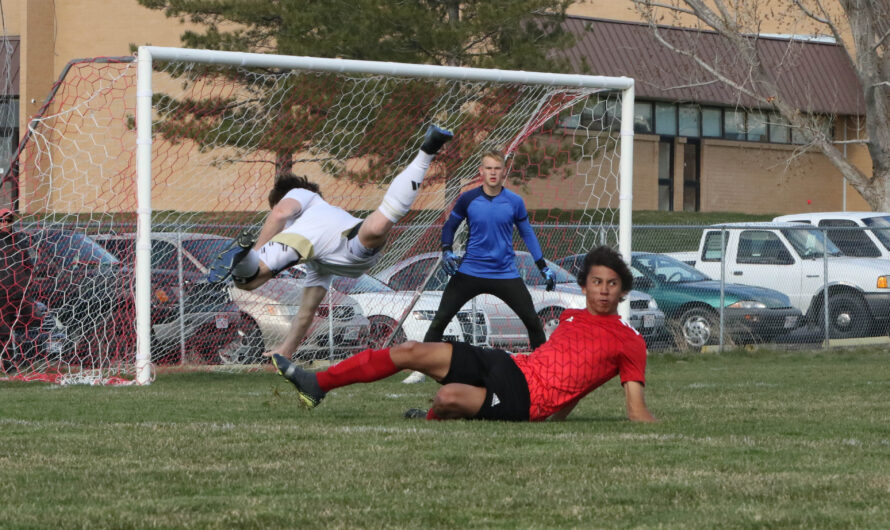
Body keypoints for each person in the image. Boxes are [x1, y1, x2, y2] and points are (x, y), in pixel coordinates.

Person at [271, 246, 656, 423]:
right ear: (585, 286)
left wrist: (552, 415)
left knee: (446, 397)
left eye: (612, 284)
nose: (603, 290)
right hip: (508, 364)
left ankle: (435, 417)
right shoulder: (570, 317)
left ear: (622, 291)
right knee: (409, 349)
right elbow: (566, 369)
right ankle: (317, 383)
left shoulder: (629, 341)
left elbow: (632, 407)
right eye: (596, 282)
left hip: (524, 400)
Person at [207, 124, 453, 358]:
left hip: (321, 242)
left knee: (247, 282)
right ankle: (426, 152)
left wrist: (258, 251)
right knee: (375, 228)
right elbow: (305, 314)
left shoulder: (301, 194)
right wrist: (286, 350)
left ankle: (244, 258)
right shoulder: (318, 263)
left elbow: (280, 213)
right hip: (346, 241)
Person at [402, 149, 556, 383]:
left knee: (533, 321)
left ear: (504, 172)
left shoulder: (515, 202)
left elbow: (527, 233)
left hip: (505, 274)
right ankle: (422, 369)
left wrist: (542, 265)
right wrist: (446, 251)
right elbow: (449, 227)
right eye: (489, 168)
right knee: (441, 319)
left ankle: (543, 370)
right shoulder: (467, 199)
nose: (493, 173)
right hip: (470, 271)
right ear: (481, 172)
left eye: (497, 168)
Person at [0, 208, 36, 359]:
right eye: (2, 220)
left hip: (19, 294)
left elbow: (28, 265)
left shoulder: (19, 242)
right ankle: (6, 363)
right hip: (1, 296)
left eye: (9, 220)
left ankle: (29, 355)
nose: (6, 223)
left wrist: (25, 283)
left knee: (35, 317)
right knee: (3, 330)